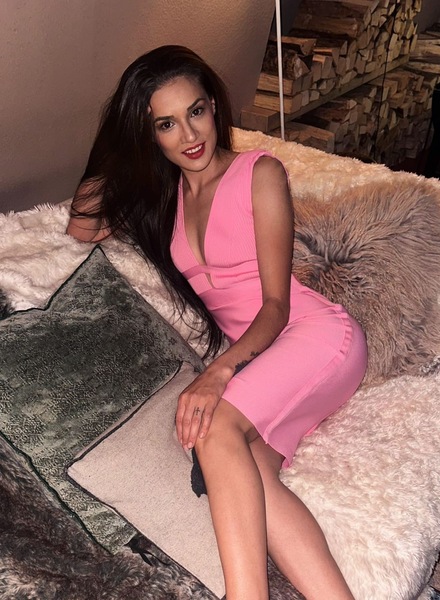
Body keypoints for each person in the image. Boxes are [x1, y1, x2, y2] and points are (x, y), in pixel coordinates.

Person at [66, 45, 368, 600]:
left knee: (213, 427)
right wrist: (118, 143)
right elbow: (81, 228)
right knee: (252, 474)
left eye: (196, 111)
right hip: (263, 357)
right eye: (165, 124)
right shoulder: (163, 198)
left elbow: (275, 305)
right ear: (149, 134)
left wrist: (218, 372)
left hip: (314, 336)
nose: (189, 135)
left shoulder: (259, 173)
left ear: (213, 106)